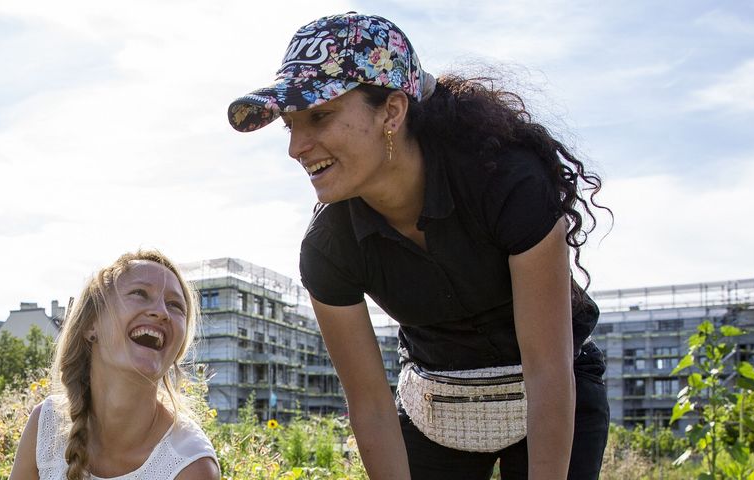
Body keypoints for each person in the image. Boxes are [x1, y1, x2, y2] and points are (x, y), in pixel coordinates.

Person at [226, 12, 610, 480]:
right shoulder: (328, 248)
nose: (296, 147)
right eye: (290, 125)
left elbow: (548, 372)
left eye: (320, 116)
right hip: (439, 410)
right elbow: (370, 406)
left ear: (391, 110)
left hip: (553, 399)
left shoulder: (508, 182)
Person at [10, 250, 220, 480]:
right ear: (91, 324)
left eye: (175, 305)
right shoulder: (46, 424)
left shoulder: (191, 464)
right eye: (140, 293)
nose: (161, 312)